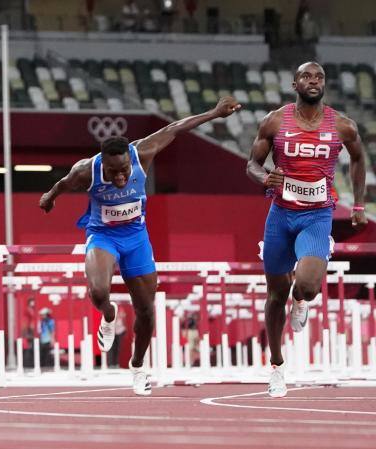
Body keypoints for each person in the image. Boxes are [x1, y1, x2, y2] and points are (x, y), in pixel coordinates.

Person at [39, 97, 241, 395]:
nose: (120, 178)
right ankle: (108, 317)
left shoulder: (142, 152)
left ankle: (137, 366)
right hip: (103, 235)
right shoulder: (86, 171)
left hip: (136, 239)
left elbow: (175, 127)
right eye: (114, 172)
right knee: (98, 292)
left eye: (124, 171)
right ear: (103, 163)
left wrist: (213, 113)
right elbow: (62, 184)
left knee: (146, 310)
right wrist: (49, 197)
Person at [246, 61, 367, 398]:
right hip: (281, 216)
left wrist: (358, 205)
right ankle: (277, 366)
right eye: (307, 77)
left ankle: (301, 300)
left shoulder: (342, 125)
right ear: (294, 83)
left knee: (309, 286)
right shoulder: (274, 121)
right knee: (274, 295)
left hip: (317, 216)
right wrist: (264, 177)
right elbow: (252, 164)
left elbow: (359, 159)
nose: (314, 81)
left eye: (319, 77)